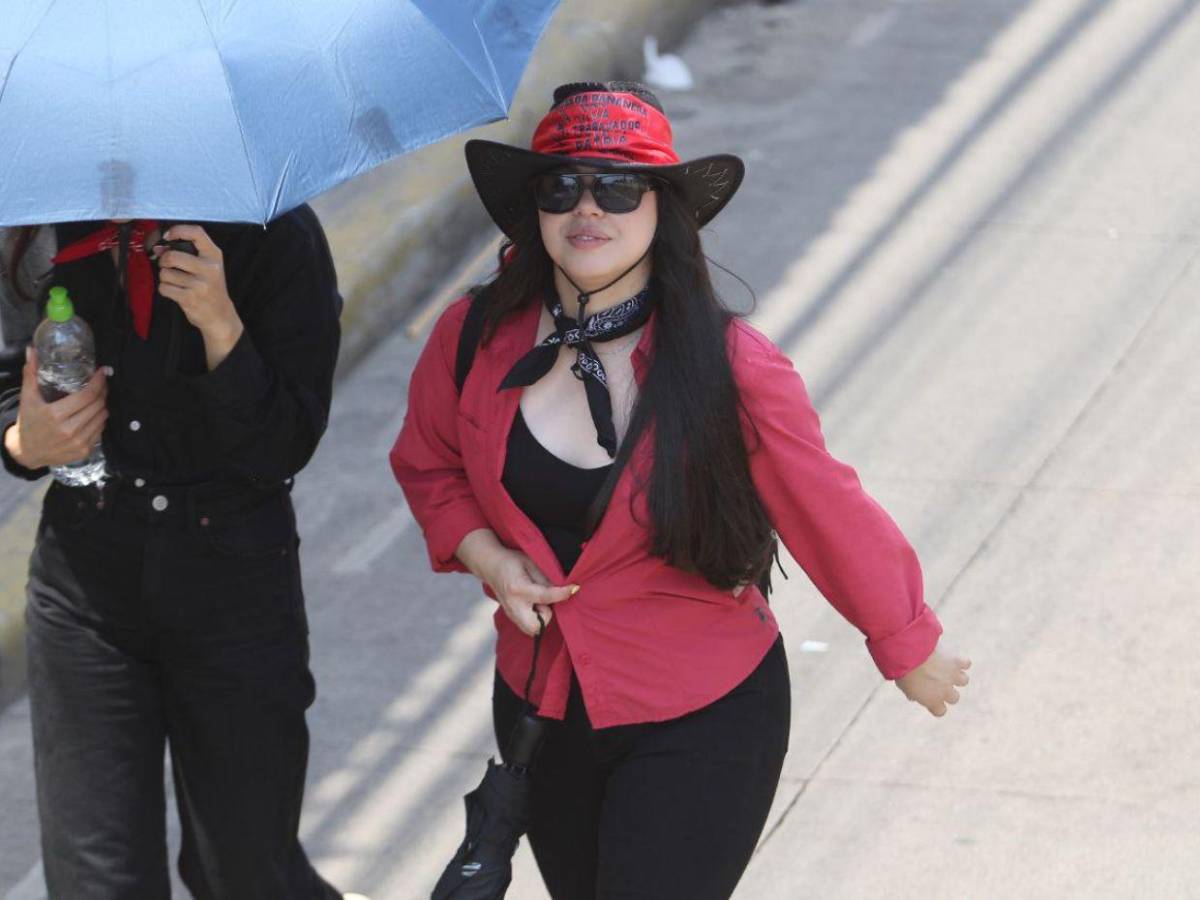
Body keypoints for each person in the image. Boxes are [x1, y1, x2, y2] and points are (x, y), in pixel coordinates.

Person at [391, 82, 972, 900]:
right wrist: (490, 557)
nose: (587, 209)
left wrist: (904, 637)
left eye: (618, 188)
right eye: (562, 187)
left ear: (664, 208)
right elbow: (430, 464)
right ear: (535, 210)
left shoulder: (733, 364)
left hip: (703, 708)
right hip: (541, 704)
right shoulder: (471, 338)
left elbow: (827, 507)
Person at [0, 210, 346, 898]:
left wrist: (221, 325)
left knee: (246, 872)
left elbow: (286, 443)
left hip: (235, 575)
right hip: (84, 582)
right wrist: (24, 443)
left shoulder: (277, 232)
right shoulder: (35, 226)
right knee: (96, 878)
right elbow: (10, 386)